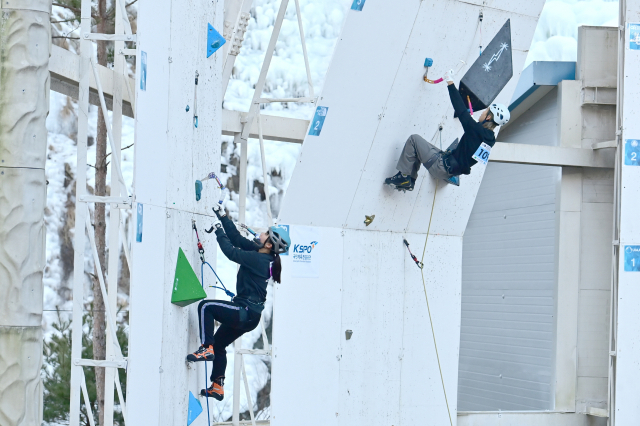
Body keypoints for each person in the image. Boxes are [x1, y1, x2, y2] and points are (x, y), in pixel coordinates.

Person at [185, 204, 290, 400]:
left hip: (245, 310)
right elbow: (236, 239)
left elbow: (231, 252)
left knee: (206, 306)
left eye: (266, 233)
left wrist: (217, 231)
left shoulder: (259, 260)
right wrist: (222, 217)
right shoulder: (262, 253)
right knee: (220, 345)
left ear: (269, 244)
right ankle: (217, 385)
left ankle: (206, 348)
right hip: (250, 314)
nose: (262, 233)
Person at [385, 69, 510, 190]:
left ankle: (405, 176)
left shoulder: (476, 130)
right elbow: (470, 154)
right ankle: (409, 180)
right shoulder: (490, 140)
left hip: (441, 166)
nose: (482, 112)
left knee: (414, 140)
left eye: (485, 112)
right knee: (422, 147)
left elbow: (460, 109)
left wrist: (450, 82)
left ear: (488, 117)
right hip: (449, 170)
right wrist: (472, 125)